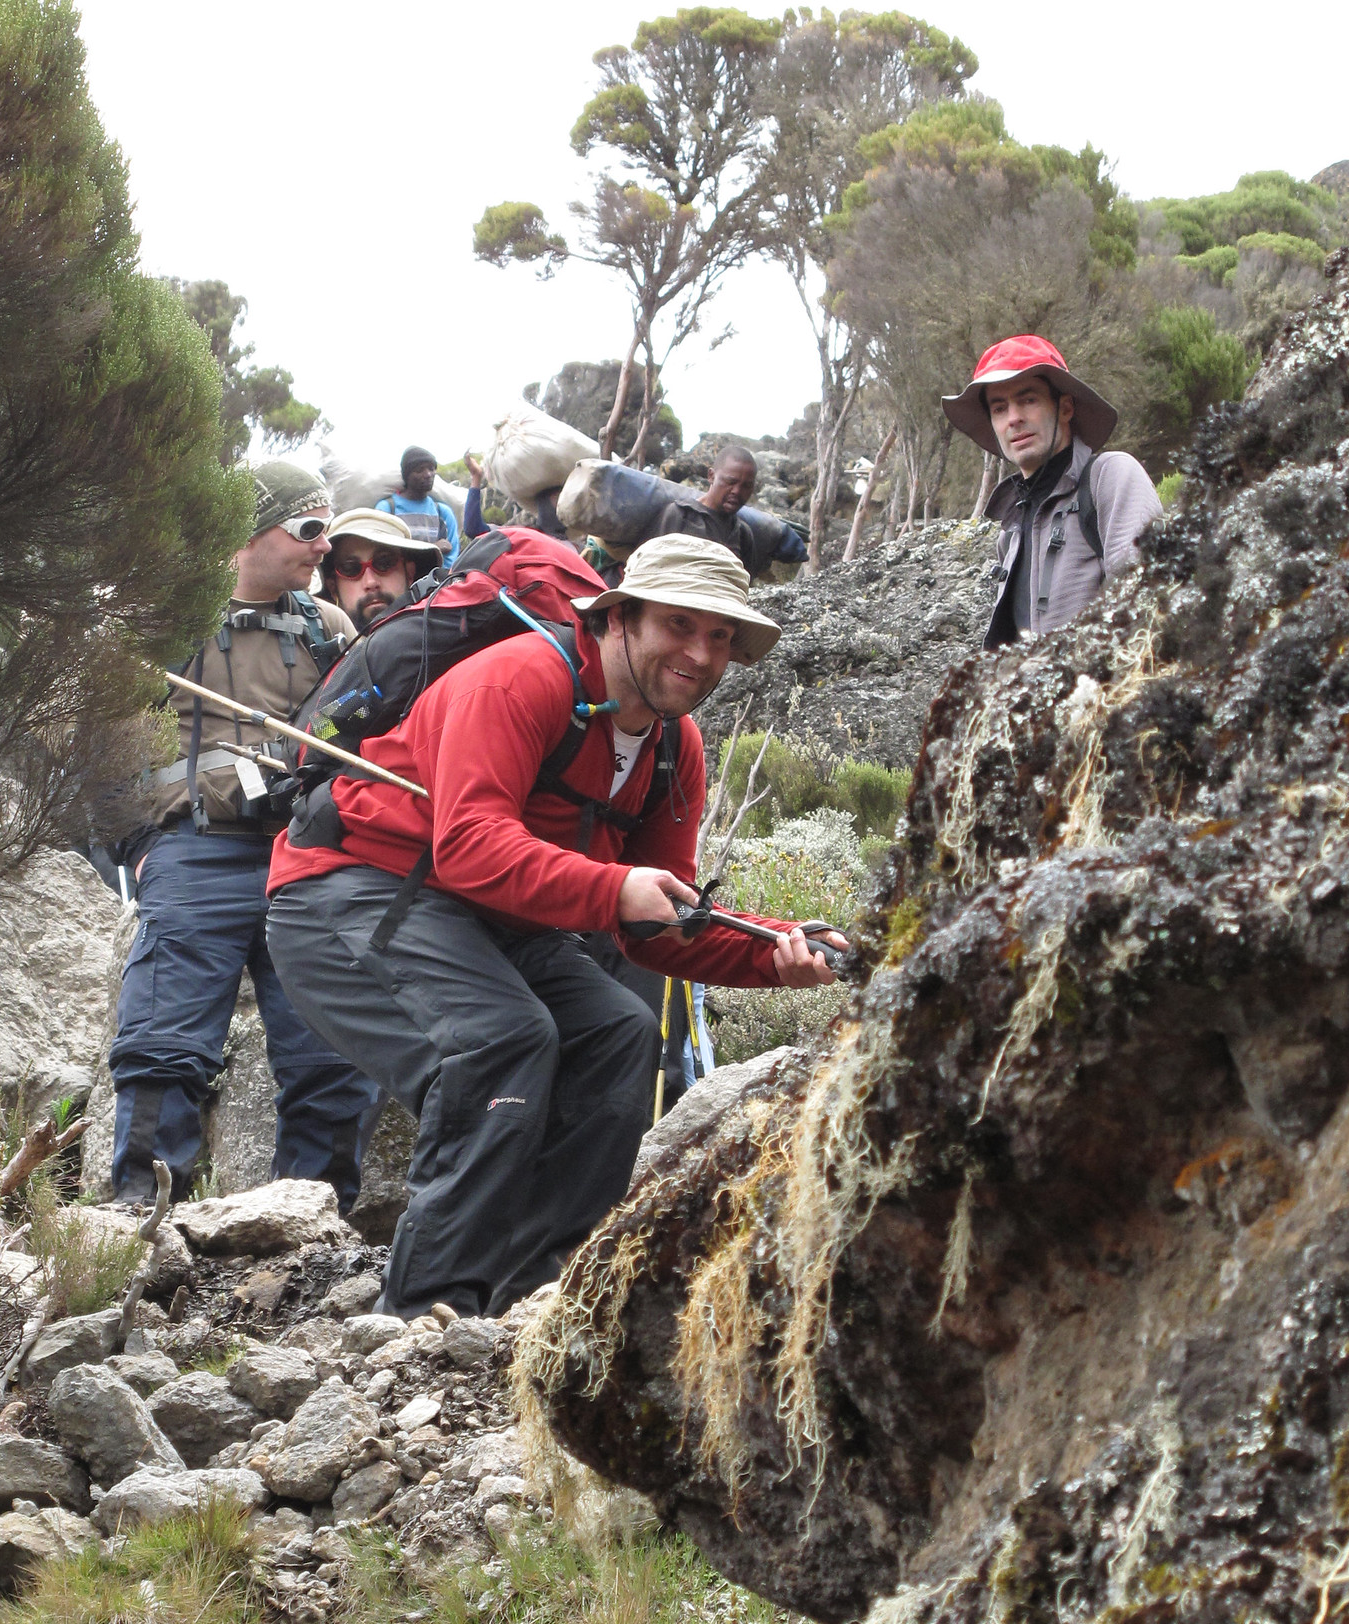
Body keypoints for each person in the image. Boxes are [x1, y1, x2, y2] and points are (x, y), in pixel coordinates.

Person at [265, 536, 847, 1317]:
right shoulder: (518, 680)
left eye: (720, 637)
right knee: (500, 1039)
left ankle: (542, 1299)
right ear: (621, 618)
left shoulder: (676, 746)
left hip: (487, 917)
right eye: (679, 624)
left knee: (619, 1033)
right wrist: (616, 888)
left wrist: (776, 953)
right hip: (348, 888)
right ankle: (427, 1315)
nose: (700, 653)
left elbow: (655, 923)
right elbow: (471, 845)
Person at [106, 461, 380, 1211]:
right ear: (249, 531)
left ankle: (309, 1225)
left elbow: (369, 743)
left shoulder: (332, 632)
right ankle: (138, 1217)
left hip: (307, 857)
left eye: (328, 526)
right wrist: (137, 847)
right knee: (164, 1042)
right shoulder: (158, 626)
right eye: (309, 528)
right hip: (193, 854)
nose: (325, 547)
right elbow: (88, 750)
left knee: (332, 1048)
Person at [941, 334, 1163, 650]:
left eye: (1028, 400)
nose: (1014, 418)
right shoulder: (1010, 535)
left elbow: (1147, 606)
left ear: (1065, 408)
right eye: (1000, 408)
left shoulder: (1110, 478)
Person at [650, 445, 770, 576]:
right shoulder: (679, 515)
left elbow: (742, 584)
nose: (737, 491)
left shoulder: (743, 534)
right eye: (730, 482)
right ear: (711, 476)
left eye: (746, 486)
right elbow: (647, 568)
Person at [321, 508, 441, 633]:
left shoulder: (445, 639)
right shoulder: (315, 648)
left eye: (384, 563)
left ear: (409, 573)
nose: (371, 582)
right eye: (350, 569)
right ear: (333, 588)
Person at [376, 445, 461, 565]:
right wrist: (432, 549)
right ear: (407, 475)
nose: (428, 474)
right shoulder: (387, 509)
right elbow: (382, 553)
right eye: (420, 470)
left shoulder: (442, 512)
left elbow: (450, 560)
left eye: (431, 469)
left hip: (436, 582)